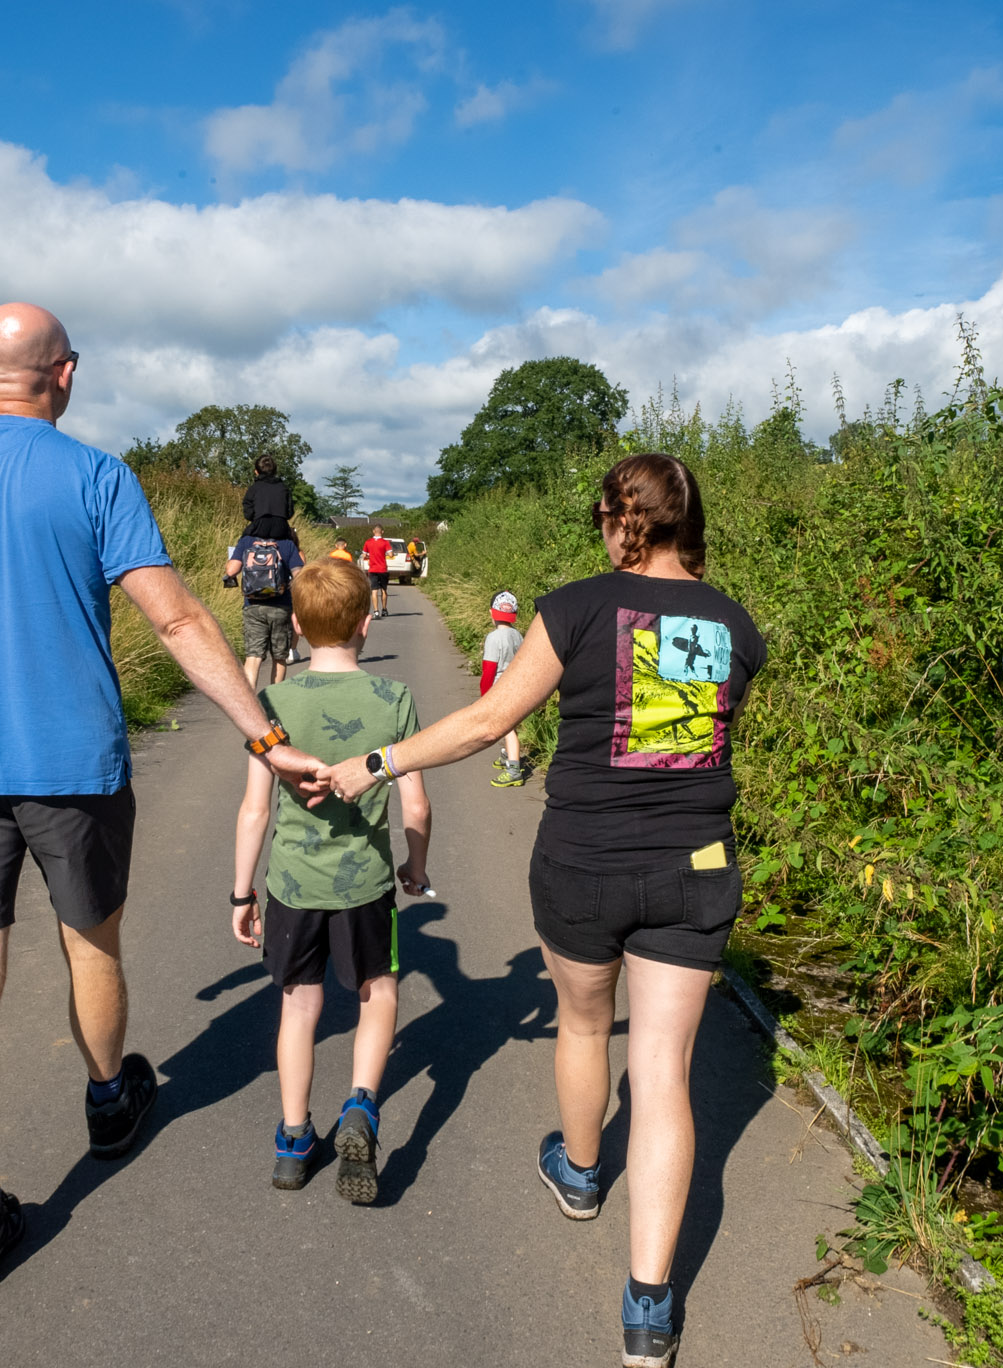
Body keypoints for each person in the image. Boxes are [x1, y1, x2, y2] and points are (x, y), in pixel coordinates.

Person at [0, 302, 328, 1298]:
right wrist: (264, 733)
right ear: (64, 374)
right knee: (91, 945)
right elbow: (173, 618)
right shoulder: (91, 477)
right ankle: (108, 1099)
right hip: (72, 765)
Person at [324, 453, 764, 1368]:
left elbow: (488, 724)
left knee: (581, 1021)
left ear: (616, 518)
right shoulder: (735, 624)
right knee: (666, 1072)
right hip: (697, 864)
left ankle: (579, 1172)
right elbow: (687, 737)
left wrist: (377, 764)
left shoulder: (577, 606)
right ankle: (649, 1307)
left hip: (583, 863)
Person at [230, 559, 432, 1203]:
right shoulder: (393, 699)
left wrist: (243, 891)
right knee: (378, 990)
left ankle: (294, 1140)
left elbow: (255, 808)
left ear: (295, 624)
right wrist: (416, 867)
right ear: (366, 623)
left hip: (292, 886)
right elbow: (418, 805)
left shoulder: (274, 702)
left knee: (299, 1004)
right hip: (365, 885)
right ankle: (362, 1107)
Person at [224, 528, 306, 686]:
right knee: (279, 657)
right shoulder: (287, 543)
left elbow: (231, 570)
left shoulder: (246, 541)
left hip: (253, 606)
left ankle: (250, 705)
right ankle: (274, 699)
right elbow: (300, 577)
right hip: (281, 607)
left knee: (253, 657)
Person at [483, 590, 527, 788]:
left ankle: (514, 769)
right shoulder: (518, 635)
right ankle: (507, 755)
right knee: (511, 725)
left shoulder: (493, 638)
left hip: (501, 689)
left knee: (507, 729)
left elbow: (489, 670)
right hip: (518, 686)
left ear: (492, 613)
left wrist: (484, 696)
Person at [241, 453, 296, 542]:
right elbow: (289, 513)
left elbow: (248, 514)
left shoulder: (253, 489)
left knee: (241, 545)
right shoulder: (284, 488)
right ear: (275, 471)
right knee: (293, 546)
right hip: (281, 530)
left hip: (259, 528)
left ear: (256, 472)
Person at [361, 524, 393, 618]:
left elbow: (364, 555)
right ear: (382, 532)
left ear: (373, 531)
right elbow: (390, 554)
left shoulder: (368, 542)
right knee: (384, 590)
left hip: (373, 569)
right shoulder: (385, 542)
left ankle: (376, 611)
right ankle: (384, 609)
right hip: (382, 568)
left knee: (374, 591)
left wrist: (368, 556)